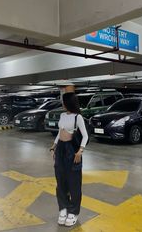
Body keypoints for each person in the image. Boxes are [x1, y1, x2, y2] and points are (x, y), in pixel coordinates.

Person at [50, 92, 88, 227]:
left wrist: (80, 151)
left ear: (69, 102)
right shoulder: (62, 115)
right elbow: (60, 132)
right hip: (60, 148)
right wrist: (54, 146)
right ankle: (63, 208)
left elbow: (85, 136)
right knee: (60, 180)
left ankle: (74, 211)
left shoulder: (78, 117)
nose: (62, 103)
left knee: (74, 182)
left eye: (64, 101)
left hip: (72, 150)